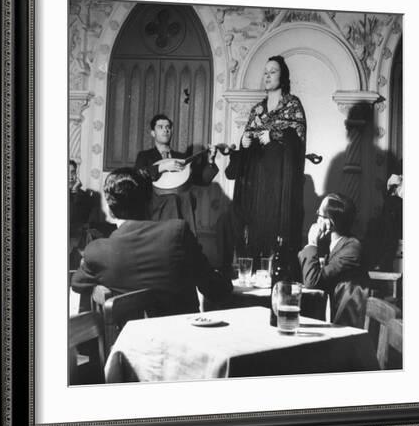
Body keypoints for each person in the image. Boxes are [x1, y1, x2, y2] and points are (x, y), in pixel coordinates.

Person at [71, 168, 232, 315]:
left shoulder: (96, 251)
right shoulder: (177, 232)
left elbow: (78, 284)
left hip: (129, 344)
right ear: (150, 203)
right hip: (182, 340)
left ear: (109, 209)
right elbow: (216, 290)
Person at [220, 55, 307, 263]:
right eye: (265, 72)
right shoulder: (257, 109)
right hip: (256, 181)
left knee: (276, 231)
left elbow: (298, 139)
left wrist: (275, 135)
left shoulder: (293, 105)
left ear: (283, 76)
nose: (267, 76)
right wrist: (245, 141)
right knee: (253, 229)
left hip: (279, 182)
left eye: (273, 71)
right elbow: (247, 136)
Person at [135, 114, 218, 235]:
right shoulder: (145, 156)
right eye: (160, 127)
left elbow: (202, 180)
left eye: (168, 127)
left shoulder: (181, 158)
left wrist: (211, 161)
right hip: (154, 202)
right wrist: (162, 167)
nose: (165, 130)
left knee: (187, 196)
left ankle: (188, 243)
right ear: (153, 133)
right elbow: (139, 176)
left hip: (181, 201)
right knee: (173, 199)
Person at [298, 193, 369, 328]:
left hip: (346, 321)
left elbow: (312, 281)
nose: (316, 218)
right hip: (327, 310)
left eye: (319, 214)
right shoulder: (326, 242)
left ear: (329, 222)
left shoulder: (352, 248)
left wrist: (312, 243)